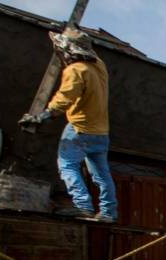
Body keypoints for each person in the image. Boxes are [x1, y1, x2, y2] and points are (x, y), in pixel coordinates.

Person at [19, 28, 117, 223]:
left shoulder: (75, 71)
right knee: (101, 174)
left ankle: (83, 206)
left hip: (80, 130)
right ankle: (108, 212)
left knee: (67, 165)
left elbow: (63, 100)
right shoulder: (99, 66)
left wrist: (42, 116)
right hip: (101, 132)